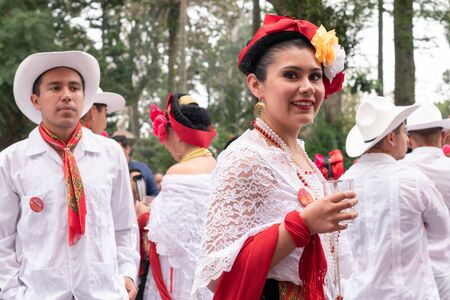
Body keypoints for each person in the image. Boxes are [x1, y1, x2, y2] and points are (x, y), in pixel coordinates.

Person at [192, 14, 357, 300]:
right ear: (256, 85)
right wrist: (301, 225)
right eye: (291, 75)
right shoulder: (245, 158)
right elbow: (216, 275)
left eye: (315, 76)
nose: (307, 87)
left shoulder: (300, 157)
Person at [0, 51, 139, 300]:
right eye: (55, 87)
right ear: (36, 100)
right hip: (39, 294)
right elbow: (3, 238)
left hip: (104, 292)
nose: (66, 94)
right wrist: (12, 293)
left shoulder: (110, 154)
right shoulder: (11, 161)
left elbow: (124, 225)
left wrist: (127, 273)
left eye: (74, 87)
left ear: (84, 97)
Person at [342, 96, 449, 299]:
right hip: (410, 293)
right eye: (404, 133)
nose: (408, 140)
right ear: (391, 138)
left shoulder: (343, 182)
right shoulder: (413, 181)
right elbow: (441, 229)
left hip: (357, 293)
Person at [136, 93, 216, 299]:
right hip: (213, 272)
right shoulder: (218, 166)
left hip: (180, 274)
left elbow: (167, 233)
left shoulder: (178, 173)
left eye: (166, 133)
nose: (165, 141)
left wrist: (144, 214)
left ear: (178, 134)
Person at [402, 104, 450, 298]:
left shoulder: (398, 170)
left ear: (409, 139)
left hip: (409, 273)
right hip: (447, 269)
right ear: (444, 136)